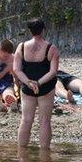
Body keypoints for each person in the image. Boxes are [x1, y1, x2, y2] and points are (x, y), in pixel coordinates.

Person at [13, 18, 59, 150]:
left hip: (27, 88)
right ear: (43, 30)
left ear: (30, 31)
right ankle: (45, 156)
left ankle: (22, 154)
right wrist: (38, 83)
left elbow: (17, 70)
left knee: (26, 120)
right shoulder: (51, 48)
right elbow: (53, 72)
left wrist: (28, 82)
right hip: (45, 87)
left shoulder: (21, 47)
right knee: (44, 121)